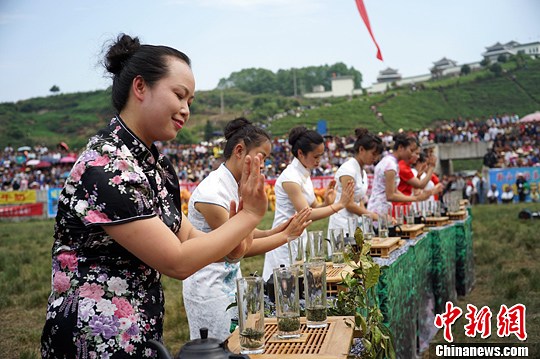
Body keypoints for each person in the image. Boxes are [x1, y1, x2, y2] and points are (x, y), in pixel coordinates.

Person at [41, 34, 268, 358]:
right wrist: (248, 217)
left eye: (190, 100)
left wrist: (236, 237)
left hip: (139, 332)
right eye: (179, 95)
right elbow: (177, 261)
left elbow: (192, 238)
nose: (186, 109)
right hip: (92, 339)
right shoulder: (106, 166)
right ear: (140, 87)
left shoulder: (156, 166)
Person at [183, 118, 311, 340]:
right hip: (209, 289)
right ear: (240, 150)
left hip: (229, 282)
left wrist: (274, 231)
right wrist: (286, 236)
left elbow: (243, 234)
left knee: (239, 343)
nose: (264, 165)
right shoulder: (213, 194)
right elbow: (238, 248)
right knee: (218, 349)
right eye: (262, 156)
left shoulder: (234, 184)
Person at [262, 126, 354, 281]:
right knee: (281, 288)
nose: (319, 161)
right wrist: (338, 205)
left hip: (297, 238)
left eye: (321, 156)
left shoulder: (304, 173)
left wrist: (326, 203)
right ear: (300, 153)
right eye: (315, 156)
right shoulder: (290, 177)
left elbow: (314, 208)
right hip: (283, 243)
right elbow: (307, 213)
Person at [367, 134, 436, 219]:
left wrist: (415, 198)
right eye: (411, 151)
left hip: (382, 208)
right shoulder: (390, 165)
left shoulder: (390, 161)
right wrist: (416, 198)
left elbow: (394, 190)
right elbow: (390, 195)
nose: (412, 155)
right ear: (400, 148)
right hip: (380, 210)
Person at [328, 128, 383, 233]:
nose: (375, 158)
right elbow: (349, 204)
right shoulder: (348, 170)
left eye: (377, 155)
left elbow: (359, 200)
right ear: (361, 150)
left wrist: (365, 221)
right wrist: (375, 217)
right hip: (342, 224)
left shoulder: (363, 172)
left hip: (355, 222)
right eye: (373, 154)